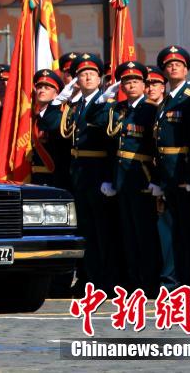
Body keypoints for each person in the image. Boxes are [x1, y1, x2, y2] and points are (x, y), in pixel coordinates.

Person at [59, 53, 120, 293]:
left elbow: (109, 142)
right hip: (80, 174)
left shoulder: (106, 104)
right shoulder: (74, 107)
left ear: (100, 78)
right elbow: (57, 128)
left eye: (92, 74)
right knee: (85, 230)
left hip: (97, 174)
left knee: (102, 231)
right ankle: (89, 278)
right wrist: (58, 101)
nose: (87, 77)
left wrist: (108, 177)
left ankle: (106, 279)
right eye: (82, 75)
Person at [105, 62, 162, 294]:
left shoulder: (150, 110)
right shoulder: (117, 109)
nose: (131, 85)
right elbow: (108, 141)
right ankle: (132, 280)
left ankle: (148, 281)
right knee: (128, 233)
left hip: (141, 176)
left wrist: (155, 178)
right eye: (127, 82)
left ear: (143, 84)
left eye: (136, 81)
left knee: (144, 233)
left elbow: (157, 146)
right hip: (122, 178)